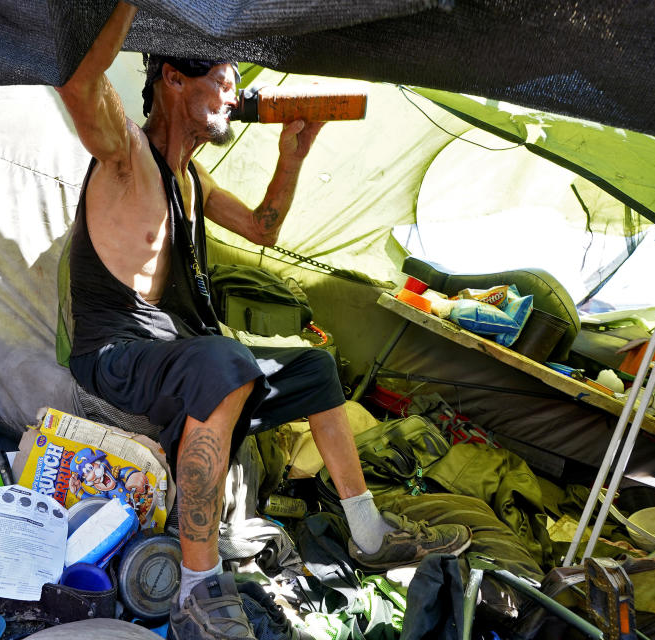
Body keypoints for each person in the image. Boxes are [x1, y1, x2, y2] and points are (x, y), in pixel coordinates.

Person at [56, 4, 471, 638]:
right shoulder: (126, 156)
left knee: (314, 368)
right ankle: (197, 592)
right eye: (221, 76)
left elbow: (261, 229)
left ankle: (368, 532)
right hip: (113, 350)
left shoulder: (189, 177)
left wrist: (293, 156)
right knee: (224, 361)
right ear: (171, 78)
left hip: (173, 351)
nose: (233, 89)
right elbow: (81, 85)